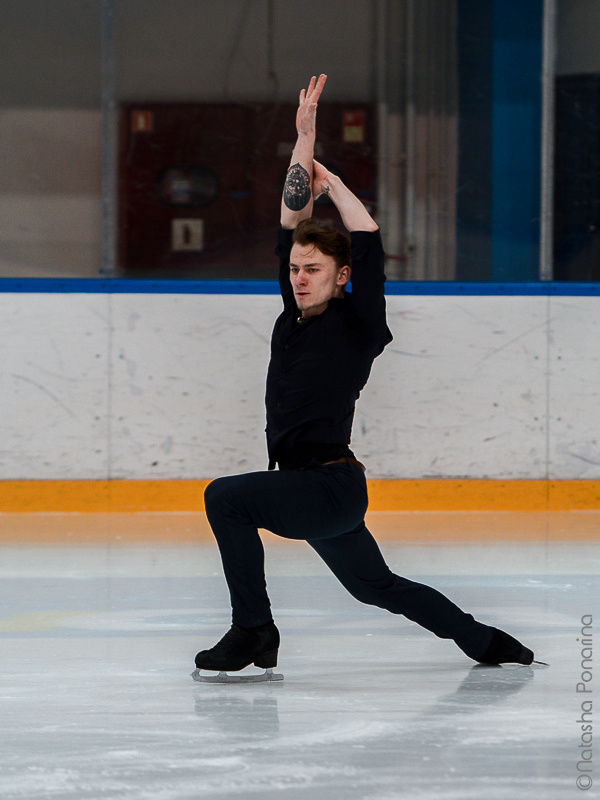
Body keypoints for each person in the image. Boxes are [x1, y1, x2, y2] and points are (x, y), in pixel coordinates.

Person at [193, 74, 537, 680]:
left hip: (329, 487)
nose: (298, 276)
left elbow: (369, 240)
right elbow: (291, 214)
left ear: (342, 276)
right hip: (309, 486)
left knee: (225, 497)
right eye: (295, 269)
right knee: (375, 586)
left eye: (313, 269)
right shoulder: (294, 315)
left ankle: (254, 629)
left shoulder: (356, 327)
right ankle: (482, 640)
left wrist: (339, 186)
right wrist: (304, 141)